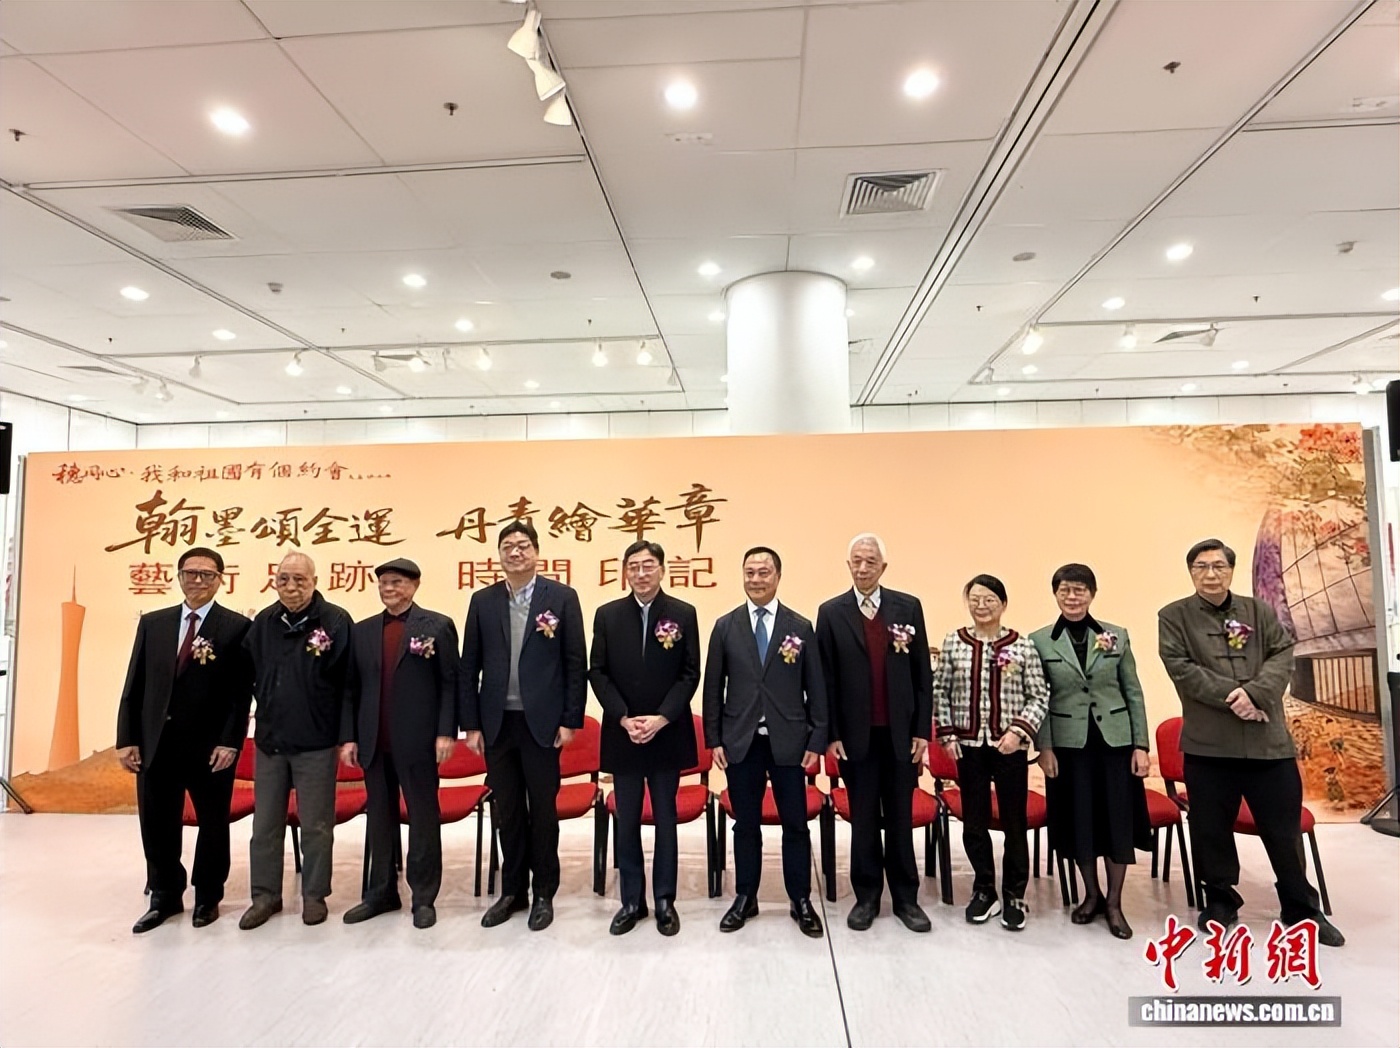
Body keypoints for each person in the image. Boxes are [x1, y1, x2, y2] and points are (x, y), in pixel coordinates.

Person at [1158, 538, 1344, 947]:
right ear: (1191, 572)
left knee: (1283, 829)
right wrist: (1235, 697)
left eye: (1219, 566)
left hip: (1267, 743)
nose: (1211, 574)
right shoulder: (1173, 616)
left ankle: (1300, 907)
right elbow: (1181, 668)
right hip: (1209, 746)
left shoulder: (1259, 611)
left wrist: (1255, 694)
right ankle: (1220, 900)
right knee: (1210, 830)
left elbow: (1282, 654)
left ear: (1230, 570)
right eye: (1201, 567)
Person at [115, 547, 254, 932]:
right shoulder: (154, 623)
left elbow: (240, 694)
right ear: (178, 577)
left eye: (207, 574)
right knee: (157, 823)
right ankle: (164, 895)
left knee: (213, 823)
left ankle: (208, 896)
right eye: (190, 573)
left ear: (220, 580)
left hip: (210, 748)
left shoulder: (236, 627)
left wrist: (230, 742)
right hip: (156, 743)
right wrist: (127, 738)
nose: (198, 580)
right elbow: (134, 684)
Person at [460, 520, 586, 932]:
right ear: (499, 555)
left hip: (543, 724)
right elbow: (469, 666)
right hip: (497, 723)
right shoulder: (483, 601)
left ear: (536, 552)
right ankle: (512, 891)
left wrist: (570, 719)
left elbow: (574, 663)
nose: (515, 552)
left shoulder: (561, 598)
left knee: (543, 811)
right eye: (507, 546)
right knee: (508, 810)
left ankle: (544, 891)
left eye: (523, 545)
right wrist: (471, 724)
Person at [703, 546, 828, 938]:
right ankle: (745, 897)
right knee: (745, 825)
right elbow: (712, 688)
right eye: (750, 572)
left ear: (778, 576)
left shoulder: (799, 626)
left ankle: (800, 899)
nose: (756, 579)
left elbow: (816, 687)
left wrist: (817, 737)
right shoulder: (726, 626)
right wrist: (714, 738)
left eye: (763, 572)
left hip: (789, 741)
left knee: (795, 824)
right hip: (741, 742)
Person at [816, 533, 932, 933]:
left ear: (883, 567)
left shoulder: (907, 607)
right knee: (863, 818)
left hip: (900, 735)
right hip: (854, 737)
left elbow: (922, 674)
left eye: (870, 562)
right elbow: (825, 680)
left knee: (900, 816)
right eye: (856, 561)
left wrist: (921, 730)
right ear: (848, 565)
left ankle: (906, 899)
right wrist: (831, 734)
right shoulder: (831, 612)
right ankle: (866, 897)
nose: (862, 568)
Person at [1030, 563, 1150, 940]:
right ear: (1055, 594)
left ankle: (1114, 903)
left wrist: (1141, 745)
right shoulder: (1039, 640)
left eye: (1080, 590)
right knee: (1079, 820)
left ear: (1092, 594)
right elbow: (1040, 698)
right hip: (1069, 747)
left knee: (1116, 820)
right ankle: (1091, 894)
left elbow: (1133, 691)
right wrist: (1044, 747)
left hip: (1115, 744)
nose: (1072, 597)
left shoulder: (1117, 635)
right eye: (1065, 590)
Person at [339, 558, 460, 930]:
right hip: (374, 742)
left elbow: (450, 683)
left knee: (423, 817)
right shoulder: (363, 631)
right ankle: (381, 893)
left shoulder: (436, 626)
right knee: (379, 818)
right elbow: (350, 689)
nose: (389, 588)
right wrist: (348, 736)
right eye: (383, 583)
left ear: (414, 585)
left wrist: (446, 732)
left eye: (397, 582)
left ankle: (423, 897)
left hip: (418, 740)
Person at [589, 540, 701, 936]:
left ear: (662, 569)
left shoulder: (683, 613)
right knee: (627, 819)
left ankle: (665, 900)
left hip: (666, 733)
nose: (640, 573)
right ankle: (632, 901)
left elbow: (690, 673)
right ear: (625, 572)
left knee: (666, 818)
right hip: (624, 734)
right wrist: (622, 717)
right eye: (633, 566)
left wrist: (662, 718)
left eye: (648, 565)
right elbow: (597, 671)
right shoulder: (607, 615)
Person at [239, 552, 354, 930]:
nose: (291, 587)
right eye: (283, 579)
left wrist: (345, 737)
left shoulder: (335, 621)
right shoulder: (264, 622)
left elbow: (349, 686)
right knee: (265, 825)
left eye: (300, 580)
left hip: (316, 743)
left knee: (316, 826)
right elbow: (248, 674)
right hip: (270, 742)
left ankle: (314, 895)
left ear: (315, 581)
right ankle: (265, 896)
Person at [933, 574, 1049, 931]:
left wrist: (1018, 732)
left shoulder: (1022, 645)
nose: (981, 606)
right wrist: (948, 734)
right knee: (974, 821)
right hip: (968, 747)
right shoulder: (954, 642)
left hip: (1009, 746)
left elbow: (1039, 695)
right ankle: (984, 889)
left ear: (1003, 604)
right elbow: (940, 692)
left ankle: (1014, 894)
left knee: (1014, 821)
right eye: (975, 599)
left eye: (989, 600)